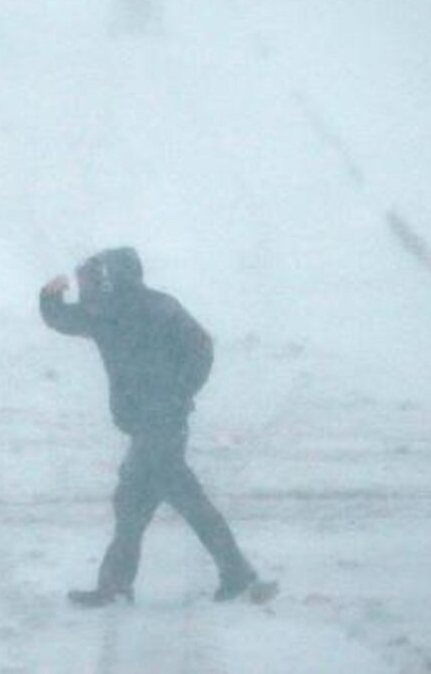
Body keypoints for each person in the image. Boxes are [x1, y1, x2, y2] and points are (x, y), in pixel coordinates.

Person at [40, 247, 272, 606]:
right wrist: (51, 297)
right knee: (144, 504)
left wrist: (177, 394)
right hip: (151, 426)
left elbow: (201, 348)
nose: (93, 284)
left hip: (162, 425)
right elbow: (63, 319)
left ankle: (120, 585)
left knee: (152, 503)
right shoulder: (113, 311)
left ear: (115, 278)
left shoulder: (142, 309)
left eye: (98, 277)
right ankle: (231, 573)